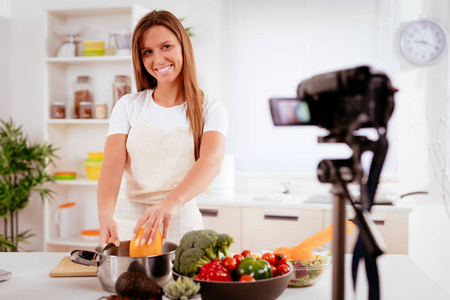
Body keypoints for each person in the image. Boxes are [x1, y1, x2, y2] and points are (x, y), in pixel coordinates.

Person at [97, 10, 228, 248]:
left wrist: (170, 203)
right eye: (148, 51)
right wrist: (105, 216)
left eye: (166, 46)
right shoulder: (128, 106)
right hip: (128, 229)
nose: (158, 60)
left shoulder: (210, 108)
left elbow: (211, 162)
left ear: (183, 47)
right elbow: (112, 165)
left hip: (182, 229)